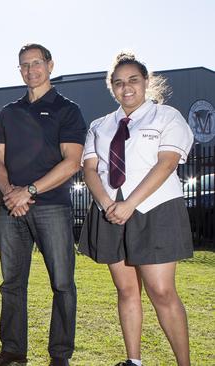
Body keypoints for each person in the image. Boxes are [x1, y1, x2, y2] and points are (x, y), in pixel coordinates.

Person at [79, 52, 193, 366]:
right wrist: (108, 205)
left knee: (161, 290)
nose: (126, 88)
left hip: (154, 210)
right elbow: (90, 169)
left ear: (146, 82)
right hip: (111, 211)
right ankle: (134, 361)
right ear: (111, 88)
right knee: (126, 289)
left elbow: (167, 162)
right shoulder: (100, 126)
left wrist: (130, 204)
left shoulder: (167, 117)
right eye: (118, 83)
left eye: (133, 80)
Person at [0, 43, 86, 366]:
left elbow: (72, 162)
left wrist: (28, 190)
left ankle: (60, 355)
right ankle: (13, 349)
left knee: (62, 283)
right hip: (11, 209)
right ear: (19, 71)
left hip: (52, 207)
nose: (31, 70)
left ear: (50, 65)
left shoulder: (67, 110)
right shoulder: (9, 112)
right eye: (24, 65)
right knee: (11, 284)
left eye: (36, 63)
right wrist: (9, 193)